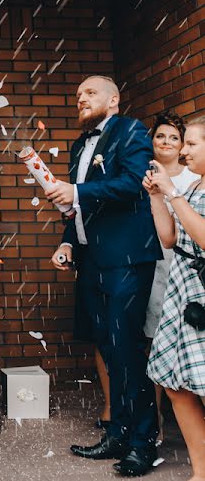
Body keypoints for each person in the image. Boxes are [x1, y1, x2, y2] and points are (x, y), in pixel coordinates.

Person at [48, 75, 162, 477]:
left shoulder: (131, 130)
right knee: (109, 350)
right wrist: (67, 242)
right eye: (77, 94)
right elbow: (80, 206)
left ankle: (143, 444)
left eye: (89, 93)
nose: (81, 98)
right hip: (92, 260)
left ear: (114, 100)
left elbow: (133, 185)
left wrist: (75, 193)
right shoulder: (80, 145)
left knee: (127, 349)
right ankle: (118, 433)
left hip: (126, 257)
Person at [144, 119, 205, 481]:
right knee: (175, 383)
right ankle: (201, 471)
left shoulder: (189, 190)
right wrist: (156, 197)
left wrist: (173, 194)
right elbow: (171, 238)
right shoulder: (196, 185)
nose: (183, 151)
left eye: (193, 144)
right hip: (182, 289)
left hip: (202, 290)